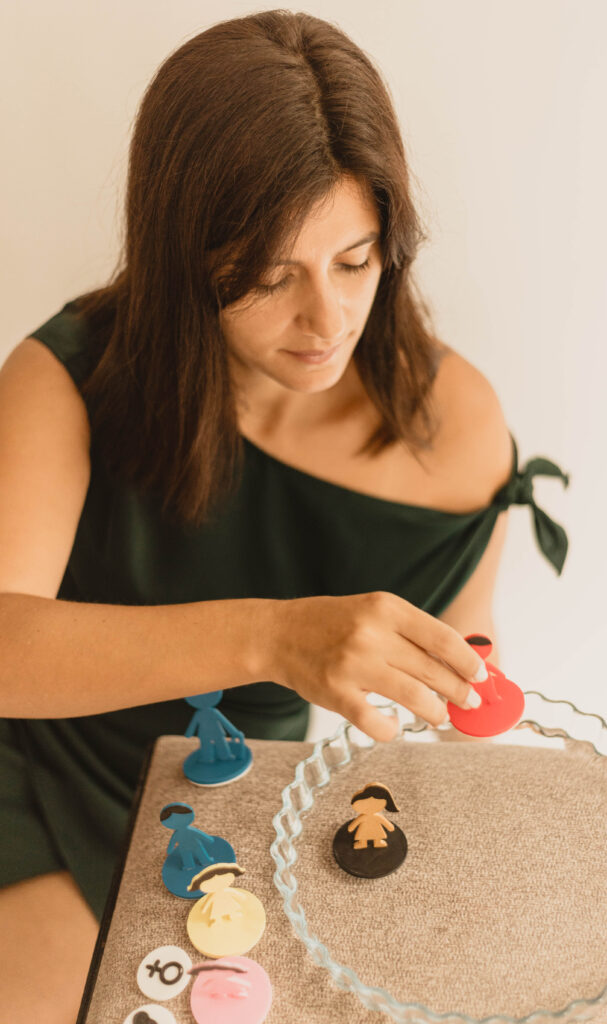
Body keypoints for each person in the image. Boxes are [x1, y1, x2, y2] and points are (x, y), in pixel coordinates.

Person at [0, 11, 569, 1021]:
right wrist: (273, 636)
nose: (326, 321)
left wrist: (466, 829)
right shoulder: (67, 376)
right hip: (35, 756)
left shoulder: (453, 423)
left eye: (355, 261)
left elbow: (459, 666)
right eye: (268, 278)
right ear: (184, 259)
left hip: (239, 793)